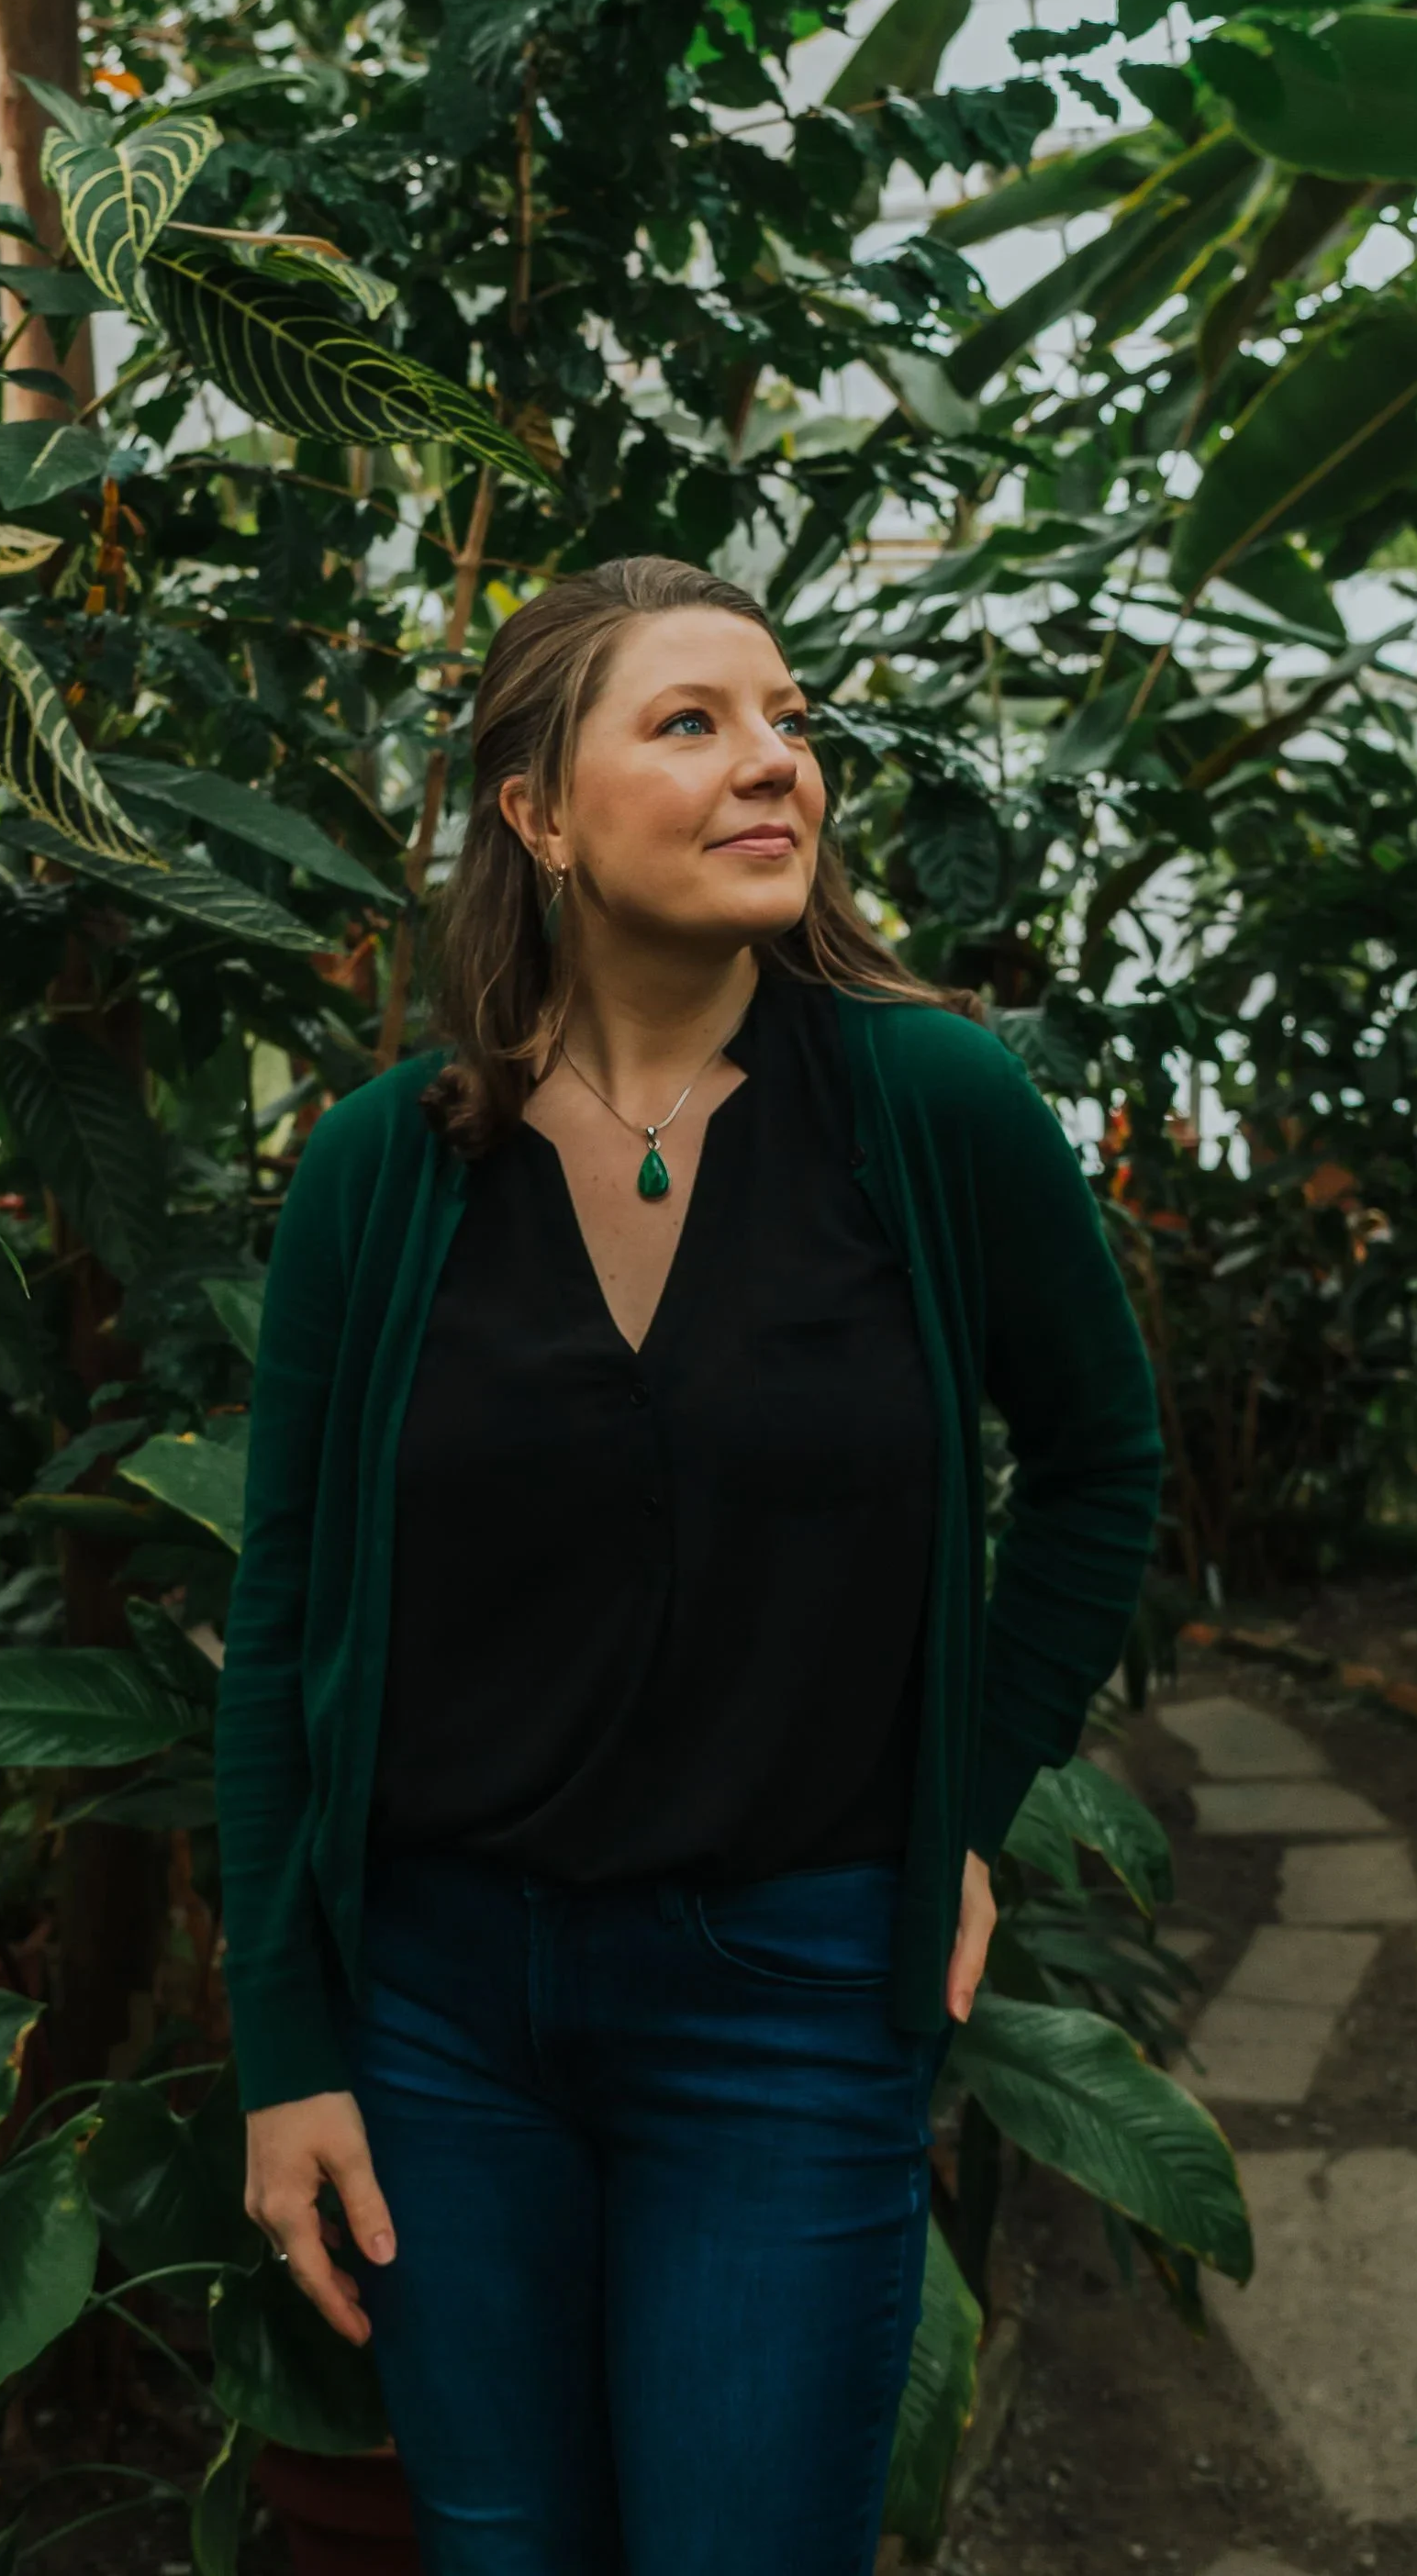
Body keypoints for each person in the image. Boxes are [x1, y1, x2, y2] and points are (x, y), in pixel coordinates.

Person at [216, 555, 1162, 2576]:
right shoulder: (390, 1168)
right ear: (539, 816)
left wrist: (963, 1809)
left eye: (790, 720)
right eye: (692, 724)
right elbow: (282, 1624)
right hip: (444, 2013)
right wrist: (291, 2051)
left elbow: (1105, 1465)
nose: (774, 768)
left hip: (793, 1994)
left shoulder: (927, 1104)